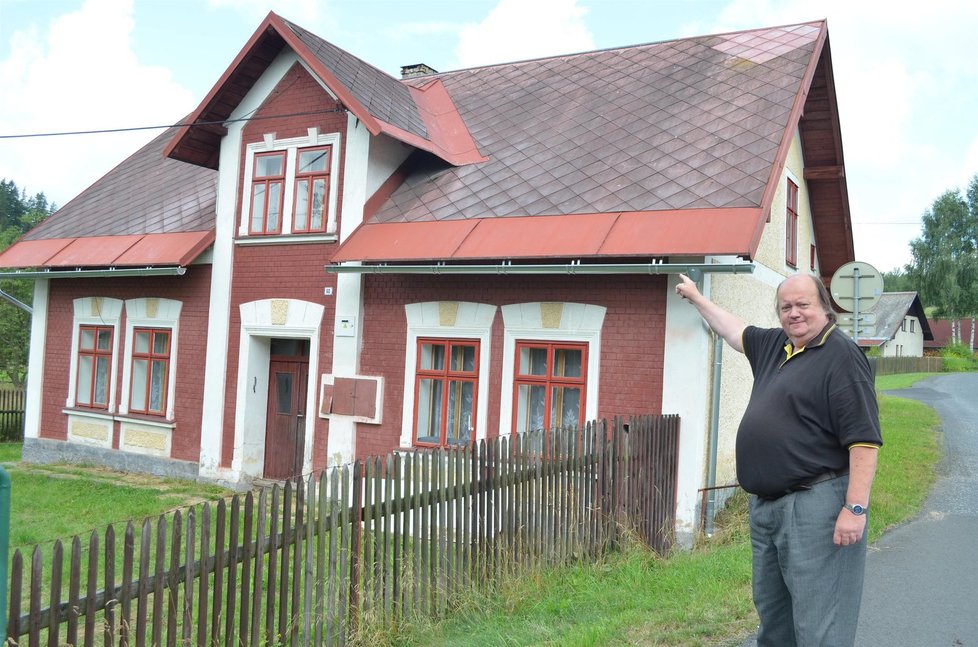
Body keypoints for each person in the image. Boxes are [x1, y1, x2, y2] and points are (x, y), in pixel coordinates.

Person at [675, 272, 881, 647]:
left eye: (803, 305)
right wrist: (697, 298)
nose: (794, 313)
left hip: (815, 505)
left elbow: (864, 442)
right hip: (767, 509)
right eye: (786, 307)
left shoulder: (842, 356)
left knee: (820, 624)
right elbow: (734, 330)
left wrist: (855, 508)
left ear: (825, 308)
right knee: (774, 617)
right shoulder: (777, 346)